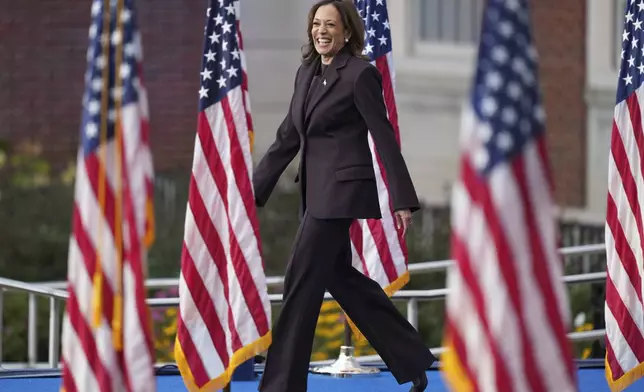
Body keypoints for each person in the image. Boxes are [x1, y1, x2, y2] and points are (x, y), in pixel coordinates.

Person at [252, 0, 436, 390]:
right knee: (341, 279)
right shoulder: (306, 73)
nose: (321, 30)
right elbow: (289, 137)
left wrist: (402, 197)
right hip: (314, 197)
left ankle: (281, 386)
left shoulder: (360, 75)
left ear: (347, 32)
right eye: (316, 24)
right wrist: (251, 193)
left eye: (330, 25)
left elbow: (383, 136)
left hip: (339, 197)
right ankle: (412, 358)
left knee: (299, 283)